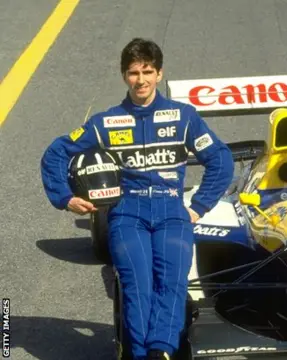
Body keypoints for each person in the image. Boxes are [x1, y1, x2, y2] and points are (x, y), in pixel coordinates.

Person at [40, 38, 234, 360]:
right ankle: (140, 354)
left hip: (172, 210)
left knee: (172, 282)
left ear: (159, 74)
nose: (140, 79)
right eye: (133, 73)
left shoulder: (184, 117)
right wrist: (64, 197)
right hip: (127, 214)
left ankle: (161, 350)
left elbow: (220, 159)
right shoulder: (105, 122)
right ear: (124, 76)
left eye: (147, 71)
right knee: (138, 286)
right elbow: (56, 152)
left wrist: (199, 206)